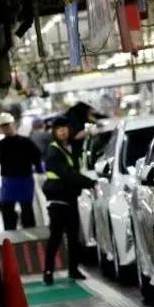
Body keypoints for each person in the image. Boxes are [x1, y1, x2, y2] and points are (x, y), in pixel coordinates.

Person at [41, 116, 96, 285]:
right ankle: (48, 272)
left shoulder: (69, 147)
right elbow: (68, 174)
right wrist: (90, 183)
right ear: (54, 132)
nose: (62, 131)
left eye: (65, 127)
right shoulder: (53, 151)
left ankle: (73, 270)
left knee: (73, 237)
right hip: (58, 201)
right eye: (59, 129)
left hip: (70, 198)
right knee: (55, 238)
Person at [0, 112, 43, 230]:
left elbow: (37, 156)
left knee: (26, 209)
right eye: (3, 126)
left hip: (25, 180)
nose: (6, 128)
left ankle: (30, 233)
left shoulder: (26, 142)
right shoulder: (0, 145)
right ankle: (10, 234)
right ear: (0, 128)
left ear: (13, 124)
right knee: (7, 209)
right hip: (9, 181)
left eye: (7, 124)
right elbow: (1, 160)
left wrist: (39, 169)